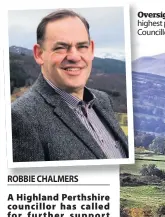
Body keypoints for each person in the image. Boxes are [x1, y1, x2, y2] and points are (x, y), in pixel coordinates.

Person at [11, 9, 128, 162]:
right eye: (60, 47)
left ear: (91, 49)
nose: (74, 56)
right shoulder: (20, 118)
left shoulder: (102, 100)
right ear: (39, 54)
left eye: (82, 46)